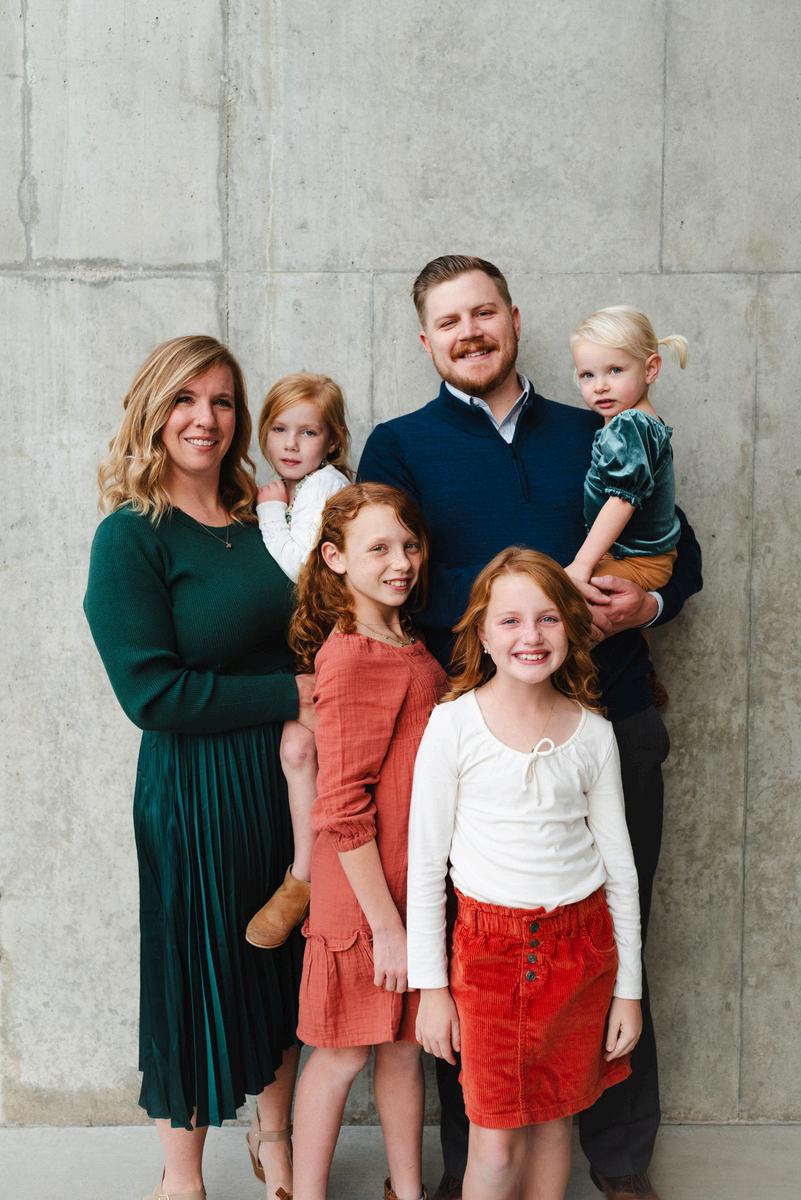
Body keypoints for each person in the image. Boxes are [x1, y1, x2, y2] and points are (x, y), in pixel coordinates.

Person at [358, 256, 703, 1200]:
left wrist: (645, 605)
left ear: (513, 320)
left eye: (483, 313)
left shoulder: (597, 427)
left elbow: (678, 551)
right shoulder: (399, 446)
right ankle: (474, 1164)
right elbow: (380, 576)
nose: (468, 332)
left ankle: (620, 1164)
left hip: (610, 721)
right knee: (475, 954)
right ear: (425, 340)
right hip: (475, 741)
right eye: (448, 321)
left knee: (612, 932)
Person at [84, 335, 315, 1200]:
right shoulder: (130, 538)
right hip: (194, 789)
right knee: (193, 974)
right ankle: (181, 1178)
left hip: (285, 781)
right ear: (153, 411)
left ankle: (276, 1143)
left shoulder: (268, 519)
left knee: (281, 962)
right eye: (184, 399)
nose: (204, 418)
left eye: (221, 401)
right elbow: (153, 694)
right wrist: (289, 693)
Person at [408, 547, 642, 1200]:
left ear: (571, 626)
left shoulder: (593, 734)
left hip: (581, 953)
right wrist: (431, 990)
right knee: (495, 1138)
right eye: (509, 621)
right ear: (482, 635)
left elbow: (619, 871)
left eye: (547, 618)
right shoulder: (453, 725)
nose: (530, 636)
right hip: (489, 958)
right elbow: (425, 867)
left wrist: (627, 991)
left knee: (556, 1121)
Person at [288, 483, 446, 1200]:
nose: (400, 562)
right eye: (378, 548)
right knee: (342, 1053)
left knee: (405, 1051)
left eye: (408, 545)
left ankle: (407, 1191)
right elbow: (342, 806)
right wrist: (385, 927)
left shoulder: (403, 640)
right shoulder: (351, 655)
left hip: (411, 882)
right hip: (364, 897)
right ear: (336, 559)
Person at [246, 373, 352, 951]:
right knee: (298, 752)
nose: (290, 444)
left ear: (331, 441)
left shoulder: (323, 486)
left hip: (336, 643)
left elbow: (301, 568)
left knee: (304, 752)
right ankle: (308, 876)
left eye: (308, 432)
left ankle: (305, 880)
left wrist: (269, 511)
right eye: (279, 430)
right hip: (313, 643)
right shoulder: (304, 486)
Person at [565, 306, 688, 592]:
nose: (600, 386)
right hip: (635, 557)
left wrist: (582, 564)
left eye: (615, 371)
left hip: (638, 561)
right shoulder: (633, 422)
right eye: (587, 375)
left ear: (650, 369)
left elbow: (622, 500)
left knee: (561, 596)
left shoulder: (631, 424)